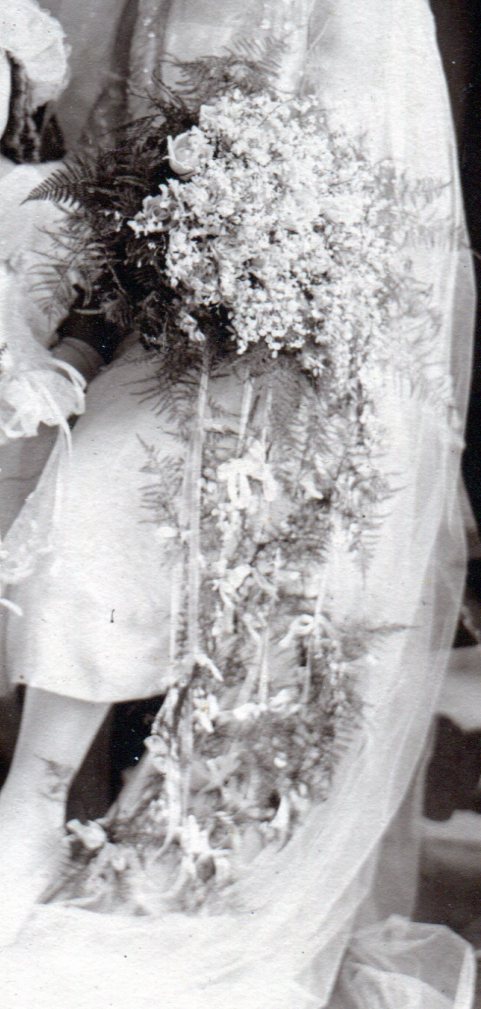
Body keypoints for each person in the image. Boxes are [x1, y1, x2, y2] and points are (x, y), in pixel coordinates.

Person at [0, 1, 476, 1006]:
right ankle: (33, 800)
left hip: (304, 351)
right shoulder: (153, 5)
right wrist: (107, 315)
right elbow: (107, 177)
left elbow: (376, 215)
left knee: (238, 563)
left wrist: (253, 251)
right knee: (84, 490)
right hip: (168, 325)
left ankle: (149, 856)